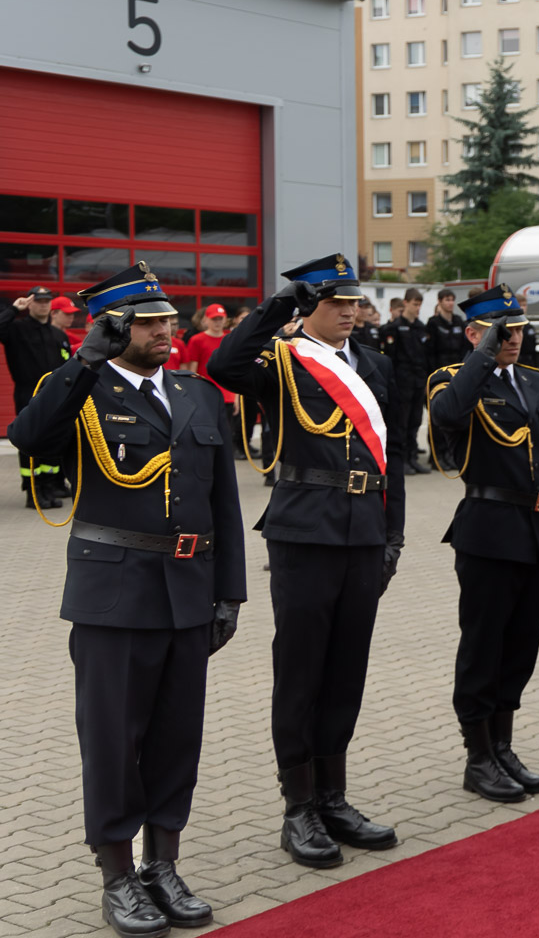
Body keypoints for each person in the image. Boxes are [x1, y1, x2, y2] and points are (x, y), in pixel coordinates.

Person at [7, 263, 246, 937]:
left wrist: (229, 592)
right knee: (114, 741)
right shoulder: (84, 387)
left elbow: (220, 501)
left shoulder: (197, 396)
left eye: (169, 318)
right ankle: (116, 875)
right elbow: (28, 438)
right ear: (114, 328)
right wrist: (82, 363)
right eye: (148, 321)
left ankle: (162, 863)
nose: (167, 329)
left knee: (177, 738)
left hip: (188, 591)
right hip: (114, 592)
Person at [207, 254, 408, 870]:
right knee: (301, 670)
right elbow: (224, 365)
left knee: (347, 669)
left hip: (364, 533)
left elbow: (391, 457)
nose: (350, 313)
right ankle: (298, 806)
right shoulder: (284, 361)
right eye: (335, 303)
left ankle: (333, 797)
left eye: (354, 303)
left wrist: (392, 537)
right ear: (311, 306)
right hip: (303, 532)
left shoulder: (374, 365)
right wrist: (278, 307)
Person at [426, 286, 539, 804]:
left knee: (519, 649)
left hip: (535, 532)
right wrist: (483, 355)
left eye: (516, 330)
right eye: (502, 331)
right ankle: (477, 756)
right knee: (482, 648)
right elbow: (448, 416)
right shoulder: (454, 380)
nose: (514, 338)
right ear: (475, 333)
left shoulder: (536, 383)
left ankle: (503, 745)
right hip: (488, 531)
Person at [1, 285, 71, 506]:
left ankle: (49, 486)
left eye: (46, 301)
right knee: (29, 441)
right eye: (38, 301)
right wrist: (14, 308)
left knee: (52, 440)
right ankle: (33, 491)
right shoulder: (17, 329)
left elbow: (67, 367)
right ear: (30, 303)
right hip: (27, 393)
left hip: (54, 395)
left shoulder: (58, 335)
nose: (43, 304)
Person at [182, 304, 246, 455]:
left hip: (228, 394)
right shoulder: (197, 340)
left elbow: (234, 370)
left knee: (227, 432)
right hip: (205, 394)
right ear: (206, 320)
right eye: (214, 319)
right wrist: (192, 394)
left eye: (220, 319)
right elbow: (193, 370)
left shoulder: (229, 339)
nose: (217, 322)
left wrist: (237, 397)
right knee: (206, 431)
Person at [380, 289, 431, 474]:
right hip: (402, 382)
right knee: (400, 424)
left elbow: (425, 357)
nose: (417, 308)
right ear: (406, 303)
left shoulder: (420, 327)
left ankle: (412, 457)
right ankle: (400, 461)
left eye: (419, 305)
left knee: (415, 422)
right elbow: (390, 359)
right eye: (415, 304)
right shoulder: (393, 327)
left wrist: (426, 380)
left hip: (418, 381)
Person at [425, 289, 470, 371]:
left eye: (452, 300)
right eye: (447, 300)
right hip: (441, 367)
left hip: (457, 366)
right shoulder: (433, 322)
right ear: (439, 301)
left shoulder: (458, 321)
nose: (451, 303)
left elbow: (464, 346)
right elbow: (430, 351)